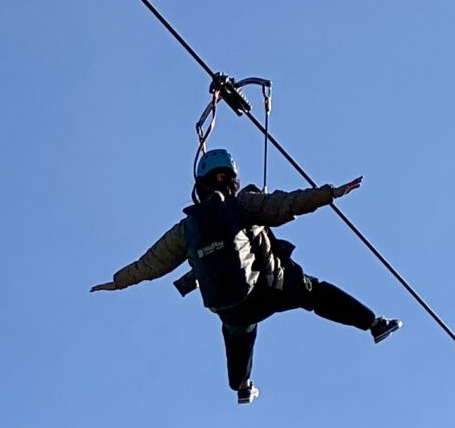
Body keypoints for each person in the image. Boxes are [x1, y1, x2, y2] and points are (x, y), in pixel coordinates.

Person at [91, 148, 401, 403]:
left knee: (238, 334)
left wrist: (118, 282)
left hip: (230, 306)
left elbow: (150, 263)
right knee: (315, 293)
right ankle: (374, 324)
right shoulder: (244, 203)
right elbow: (286, 204)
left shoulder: (186, 229)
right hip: (271, 288)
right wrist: (329, 193)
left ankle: (242, 387)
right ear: (233, 180)